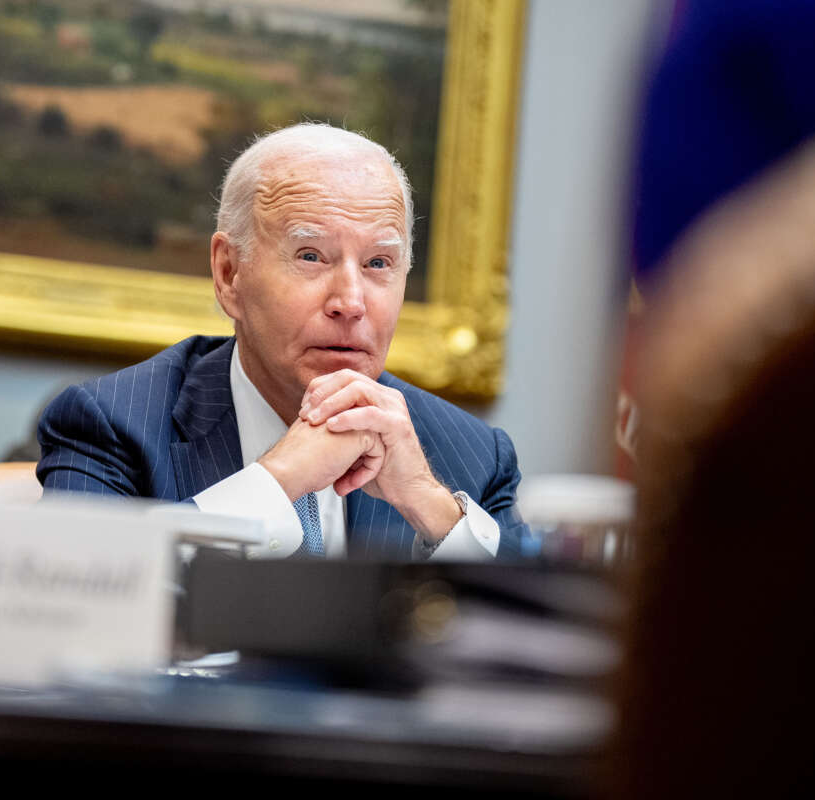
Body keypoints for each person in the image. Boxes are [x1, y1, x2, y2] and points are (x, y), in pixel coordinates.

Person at [38, 123, 526, 560]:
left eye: (378, 263)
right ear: (229, 273)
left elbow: (533, 639)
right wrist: (277, 481)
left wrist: (427, 503)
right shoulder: (113, 425)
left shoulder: (475, 456)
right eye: (312, 256)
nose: (351, 302)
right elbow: (75, 600)